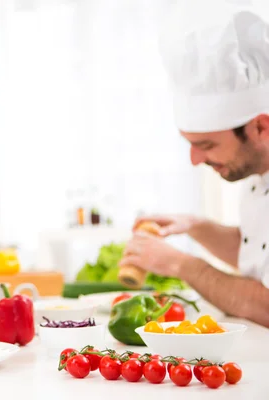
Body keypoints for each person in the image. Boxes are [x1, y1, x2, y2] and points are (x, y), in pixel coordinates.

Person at [120, 0, 269, 328]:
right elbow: (258, 253)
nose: (195, 160)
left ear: (261, 127)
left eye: (206, 145)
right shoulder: (259, 177)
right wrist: (194, 225)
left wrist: (180, 265)